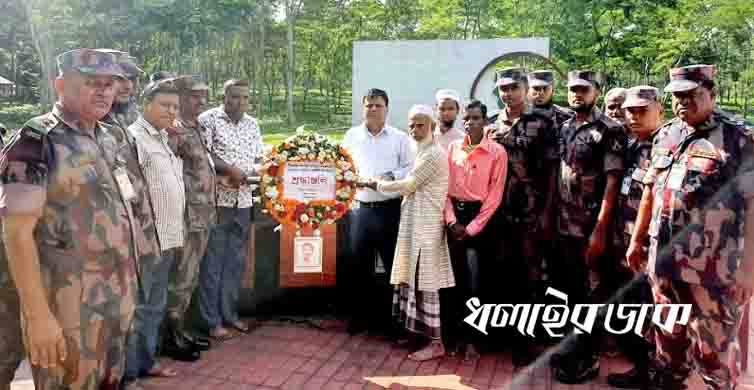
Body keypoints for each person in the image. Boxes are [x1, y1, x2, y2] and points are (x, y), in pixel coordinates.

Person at [0, 48, 138, 390]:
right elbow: (16, 234)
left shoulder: (110, 137)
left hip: (115, 301)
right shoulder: (36, 141)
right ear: (60, 84)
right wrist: (37, 316)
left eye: (110, 84)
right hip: (66, 310)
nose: (104, 91)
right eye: (92, 82)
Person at [627, 65, 754, 390]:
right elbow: (651, 191)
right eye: (677, 97)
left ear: (712, 94)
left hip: (712, 272)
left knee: (713, 357)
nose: (682, 102)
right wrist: (637, 240)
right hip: (665, 265)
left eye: (691, 95)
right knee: (668, 349)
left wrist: (748, 270)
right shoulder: (667, 134)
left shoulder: (738, 139)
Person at [550, 70, 627, 384]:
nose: (576, 94)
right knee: (569, 292)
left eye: (584, 89)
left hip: (591, 226)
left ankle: (589, 357)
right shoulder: (565, 126)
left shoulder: (609, 129)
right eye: (572, 90)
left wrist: (599, 229)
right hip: (563, 225)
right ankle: (572, 349)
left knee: (592, 294)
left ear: (597, 91)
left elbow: (613, 180)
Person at [363, 104, 455, 362]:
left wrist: (376, 183)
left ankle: (436, 343)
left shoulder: (433, 154)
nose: (414, 130)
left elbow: (409, 184)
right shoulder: (422, 151)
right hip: (414, 225)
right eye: (411, 125)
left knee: (427, 285)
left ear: (432, 126)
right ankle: (417, 335)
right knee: (412, 281)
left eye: (420, 125)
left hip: (426, 227)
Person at [487, 67, 559, 366]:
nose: (508, 93)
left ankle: (526, 342)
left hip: (531, 212)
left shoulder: (542, 122)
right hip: (498, 213)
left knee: (530, 279)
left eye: (514, 87)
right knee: (502, 275)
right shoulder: (492, 124)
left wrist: (545, 212)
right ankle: (503, 337)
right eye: (503, 88)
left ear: (525, 88)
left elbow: (553, 170)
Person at [124, 77, 190, 387]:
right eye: (165, 105)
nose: (171, 111)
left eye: (175, 106)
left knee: (154, 305)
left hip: (169, 235)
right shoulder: (133, 138)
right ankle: (130, 373)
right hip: (147, 240)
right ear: (144, 105)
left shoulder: (164, 137)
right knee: (139, 308)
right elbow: (131, 193)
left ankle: (146, 363)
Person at [342, 88, 413, 335]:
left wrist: (389, 176)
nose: (373, 109)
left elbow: (410, 168)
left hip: (389, 209)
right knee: (359, 265)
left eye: (378, 105)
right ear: (363, 108)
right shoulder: (351, 136)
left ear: (386, 108)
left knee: (392, 266)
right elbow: (342, 166)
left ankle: (392, 321)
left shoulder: (399, 138)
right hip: (360, 209)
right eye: (369, 105)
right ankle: (360, 318)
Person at [198, 79, 262, 340]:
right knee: (212, 263)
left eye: (245, 97)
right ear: (223, 96)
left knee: (235, 263)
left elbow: (259, 158)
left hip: (244, 201)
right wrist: (229, 169)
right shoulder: (208, 120)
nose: (240, 102)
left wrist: (257, 171)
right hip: (217, 202)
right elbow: (203, 155)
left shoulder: (253, 124)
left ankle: (230, 315)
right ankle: (211, 321)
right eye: (235, 97)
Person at [444, 100, 507, 361]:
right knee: (454, 282)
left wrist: (470, 228)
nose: (470, 122)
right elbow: (443, 189)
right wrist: (451, 222)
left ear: (485, 121)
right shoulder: (453, 148)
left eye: (476, 118)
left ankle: (475, 340)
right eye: (466, 118)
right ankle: (455, 337)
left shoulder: (497, 152)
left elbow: (495, 195)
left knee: (477, 284)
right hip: (453, 219)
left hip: (480, 220)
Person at [164, 75, 216, 354]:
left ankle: (182, 328)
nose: (201, 101)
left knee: (191, 275)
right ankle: (171, 336)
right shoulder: (174, 131)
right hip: (186, 215)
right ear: (181, 97)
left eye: (203, 95)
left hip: (203, 213)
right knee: (180, 276)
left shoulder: (196, 128)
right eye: (195, 95)